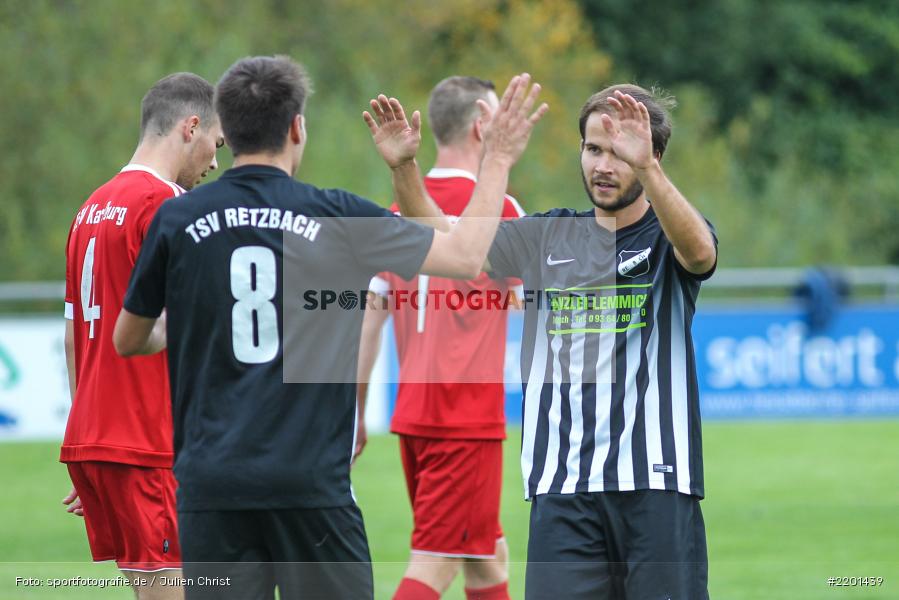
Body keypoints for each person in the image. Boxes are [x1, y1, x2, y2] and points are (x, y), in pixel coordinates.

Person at [112, 55, 547, 600]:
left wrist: (189, 322)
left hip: (211, 485)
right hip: (310, 486)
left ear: (227, 124)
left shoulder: (178, 218)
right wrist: (496, 159)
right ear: (297, 127)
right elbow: (465, 258)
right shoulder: (337, 216)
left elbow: (128, 339)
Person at [375, 84, 718, 599]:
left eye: (619, 151)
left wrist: (649, 170)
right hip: (562, 495)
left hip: (655, 486)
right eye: (593, 148)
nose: (603, 164)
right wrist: (404, 169)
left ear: (651, 155)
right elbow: (445, 242)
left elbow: (699, 253)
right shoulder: (545, 237)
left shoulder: (667, 238)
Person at [356, 76, 523, 600]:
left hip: (415, 414)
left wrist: (357, 413)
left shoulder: (394, 213)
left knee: (486, 556)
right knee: (437, 562)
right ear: (481, 125)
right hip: (465, 417)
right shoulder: (499, 207)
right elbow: (526, 302)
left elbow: (368, 321)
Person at [61, 72, 221, 599]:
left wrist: (92, 439)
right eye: (215, 145)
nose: (215, 162)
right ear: (190, 127)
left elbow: (73, 335)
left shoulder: (91, 208)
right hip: (148, 438)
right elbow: (195, 327)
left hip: (97, 436)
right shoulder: (168, 205)